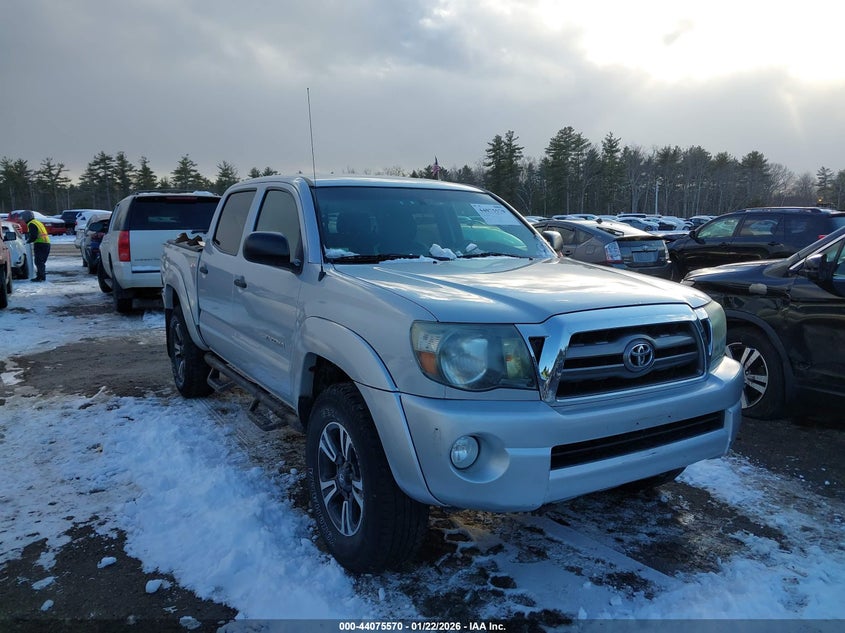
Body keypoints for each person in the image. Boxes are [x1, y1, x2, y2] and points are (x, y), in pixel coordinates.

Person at [22, 211, 51, 282]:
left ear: (27, 217)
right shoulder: (37, 222)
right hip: (46, 243)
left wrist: (28, 241)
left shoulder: (31, 224)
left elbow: (34, 236)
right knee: (41, 261)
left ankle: (40, 277)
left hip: (40, 243)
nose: (23, 219)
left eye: (23, 217)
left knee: (39, 261)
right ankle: (41, 276)